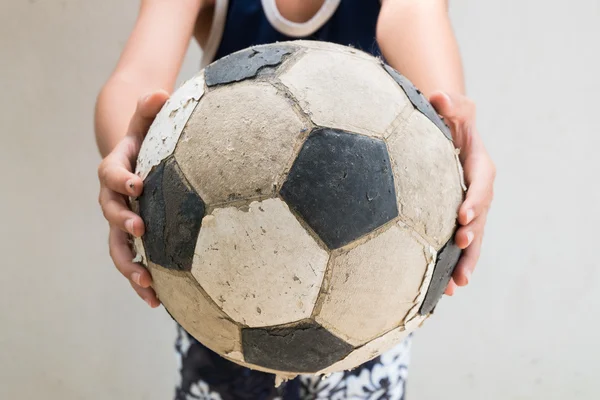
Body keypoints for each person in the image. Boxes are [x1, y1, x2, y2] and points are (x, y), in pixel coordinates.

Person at [95, 0, 496, 398]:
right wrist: (130, 162)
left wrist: (456, 140)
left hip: (370, 316)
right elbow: (133, 81)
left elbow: (419, 35)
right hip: (221, 304)